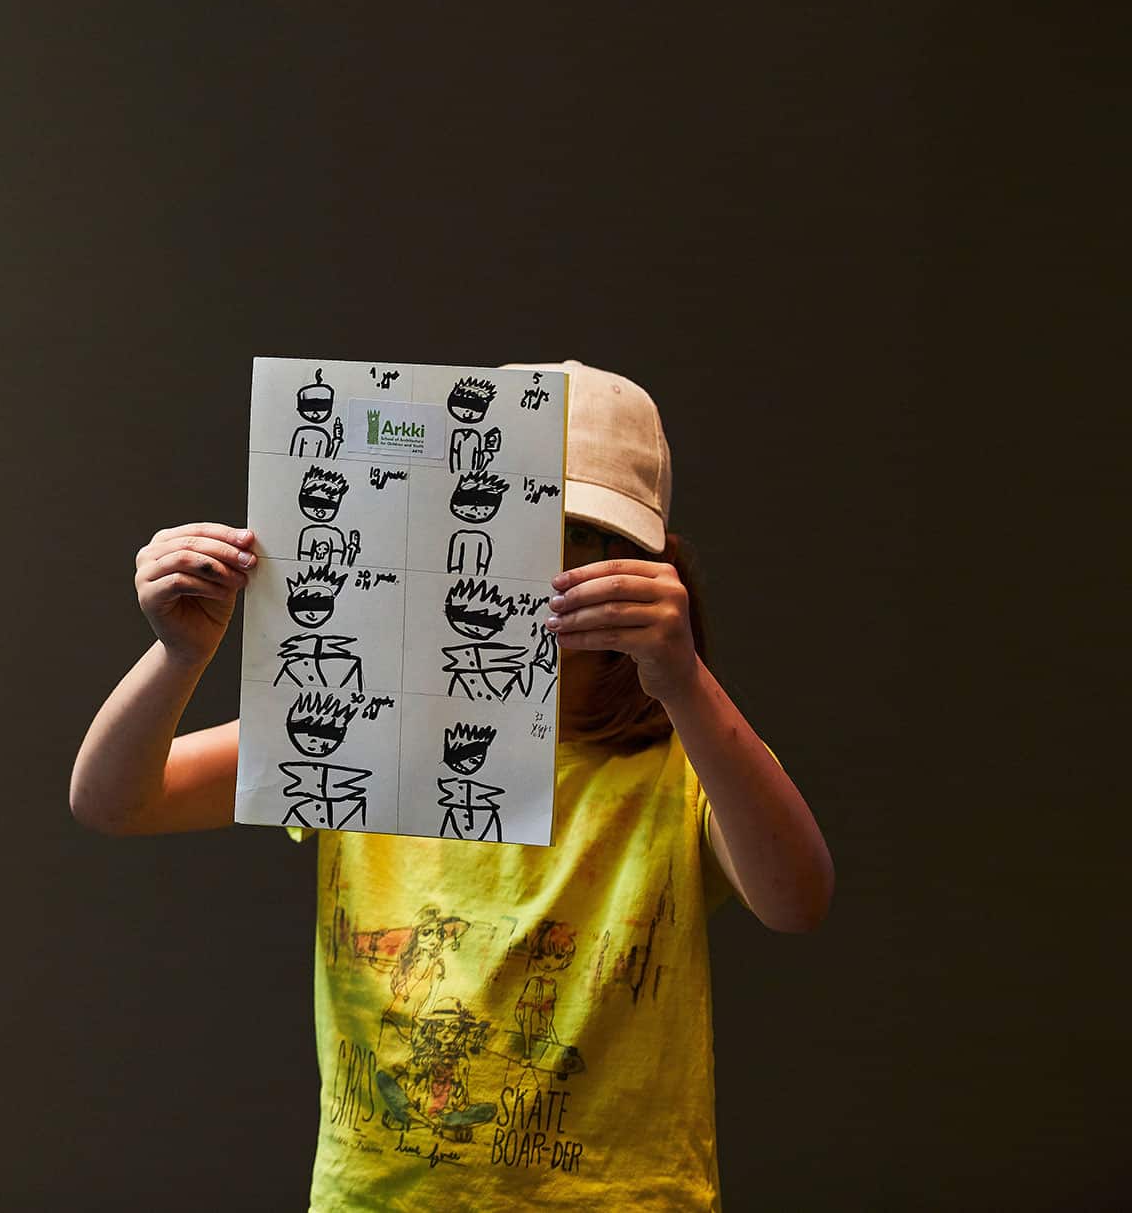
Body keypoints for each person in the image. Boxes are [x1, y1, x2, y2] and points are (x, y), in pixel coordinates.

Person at [70, 360, 834, 1209]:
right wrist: (180, 654)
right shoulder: (364, 723)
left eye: (581, 534)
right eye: (510, 520)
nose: (540, 565)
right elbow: (115, 800)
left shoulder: (685, 758)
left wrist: (684, 681)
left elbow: (797, 899)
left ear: (652, 564)